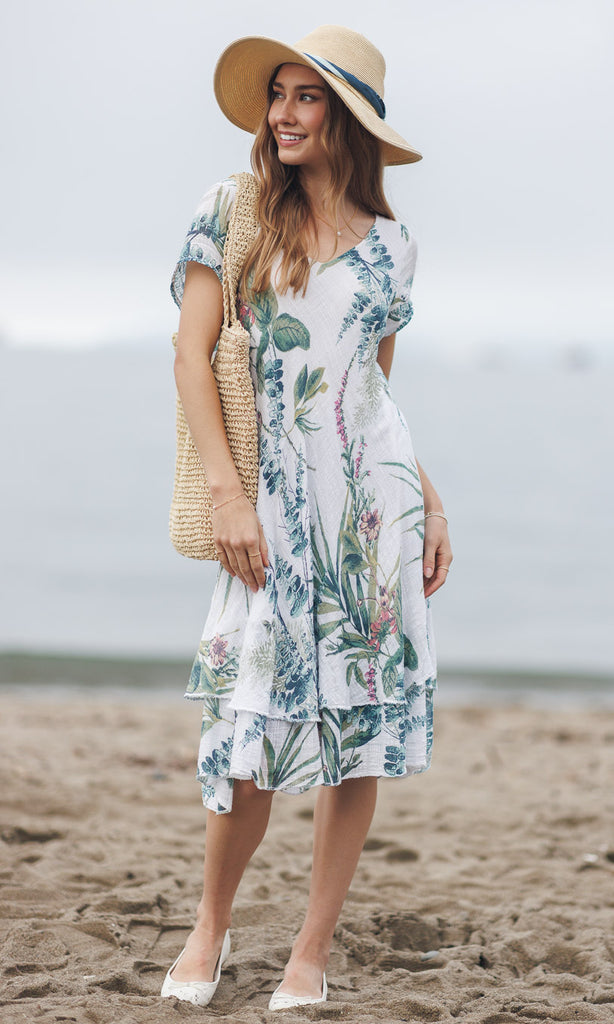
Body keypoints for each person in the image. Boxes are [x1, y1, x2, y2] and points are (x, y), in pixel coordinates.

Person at [161, 24, 452, 1011]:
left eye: (303, 97)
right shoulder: (234, 212)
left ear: (347, 119)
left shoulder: (393, 248)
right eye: (275, 95)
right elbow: (190, 355)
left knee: (356, 736)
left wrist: (427, 491)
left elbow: (369, 388)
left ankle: (309, 951)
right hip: (272, 520)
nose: (279, 113)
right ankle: (209, 925)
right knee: (250, 740)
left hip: (372, 520)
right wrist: (225, 493)